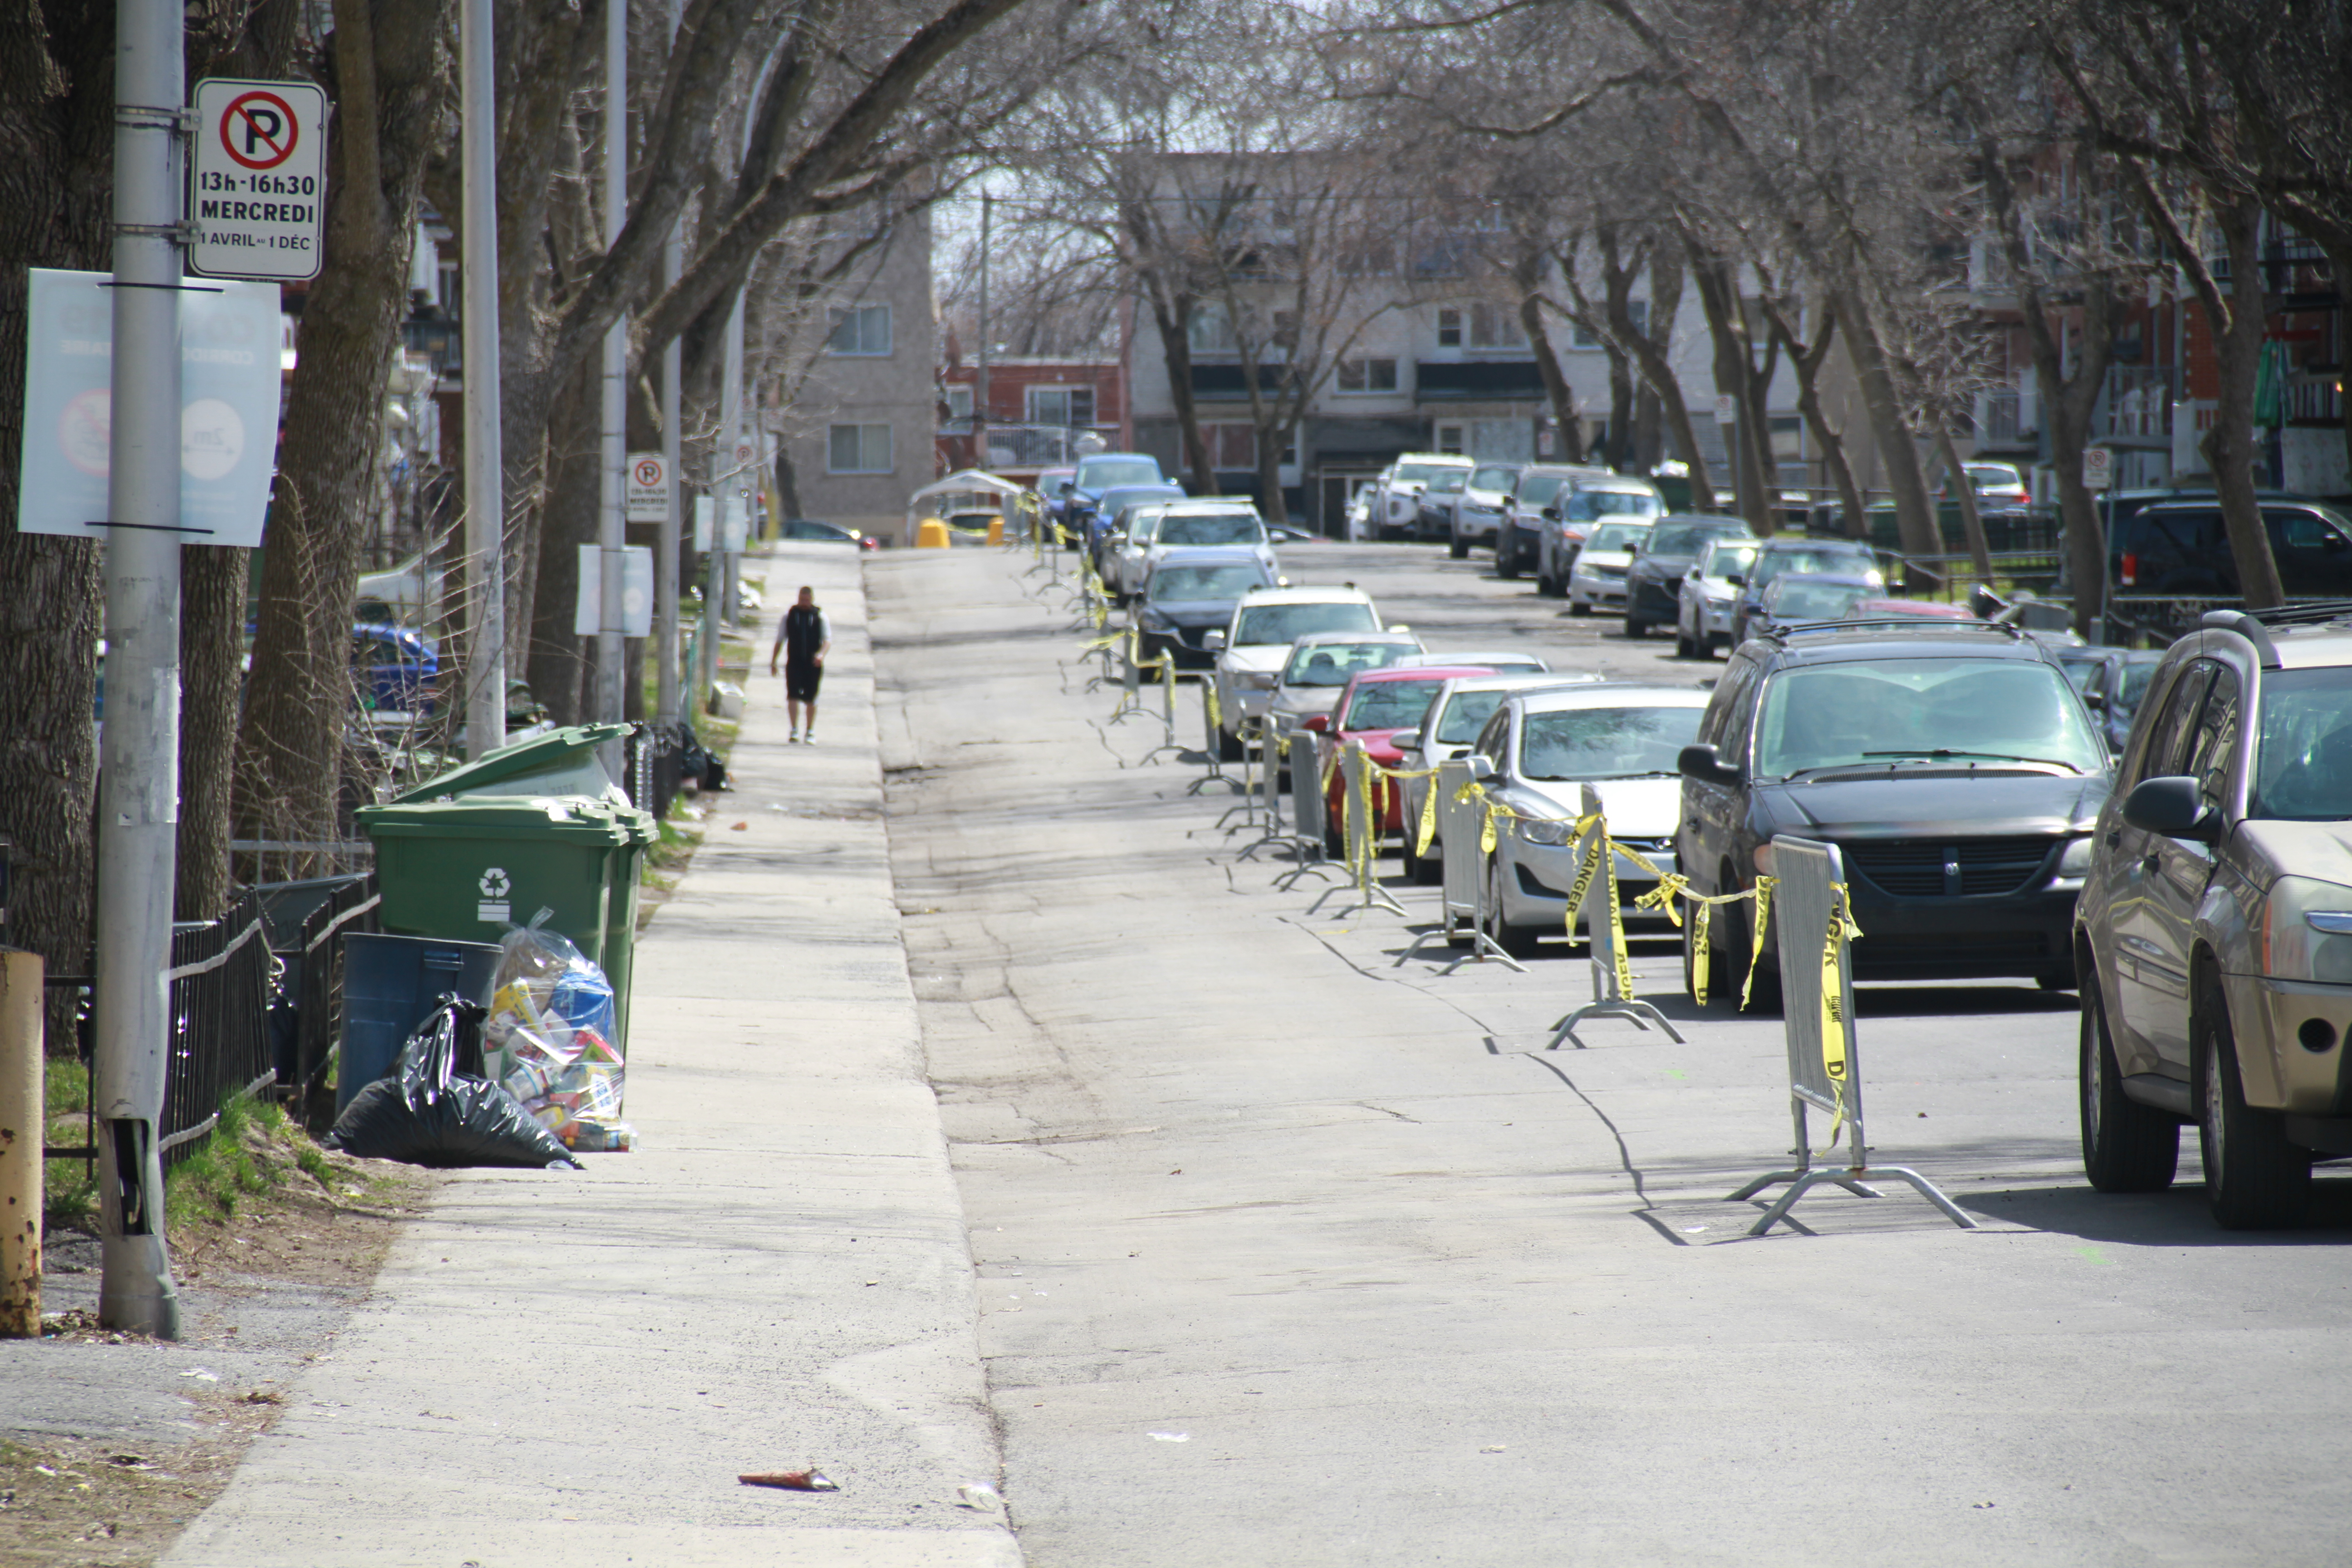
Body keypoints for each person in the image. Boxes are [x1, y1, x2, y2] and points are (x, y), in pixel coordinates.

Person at [769, 586, 831, 743]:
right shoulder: (789, 616)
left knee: (811, 698)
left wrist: (821, 655)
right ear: (798, 599)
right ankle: (794, 730)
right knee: (793, 696)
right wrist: (774, 661)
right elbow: (780, 639)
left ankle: (810, 731)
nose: (804, 603)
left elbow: (827, 640)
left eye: (807, 600)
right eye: (802, 600)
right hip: (794, 662)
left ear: (812, 600)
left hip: (813, 664)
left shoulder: (820, 616)